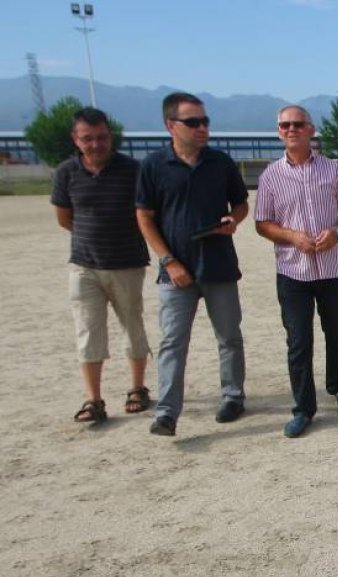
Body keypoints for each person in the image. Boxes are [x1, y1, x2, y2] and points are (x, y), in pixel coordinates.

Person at [135, 92, 250, 437]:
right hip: (175, 273)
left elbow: (241, 204)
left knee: (229, 336)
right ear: (171, 125)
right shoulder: (154, 166)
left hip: (219, 265)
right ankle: (167, 412)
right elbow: (144, 217)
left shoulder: (221, 162)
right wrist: (169, 261)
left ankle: (232, 396)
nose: (202, 128)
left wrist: (233, 218)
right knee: (172, 341)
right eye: (193, 122)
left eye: (205, 121)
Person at [254, 105, 338, 438]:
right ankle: (303, 408)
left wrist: (336, 233)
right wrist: (291, 236)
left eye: (298, 124)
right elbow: (262, 223)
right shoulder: (270, 176)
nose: (291, 129)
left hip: (332, 270)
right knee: (299, 341)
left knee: (337, 333)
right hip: (292, 272)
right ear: (278, 131)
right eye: (285, 125)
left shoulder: (333, 171)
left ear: (311, 129)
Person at [50, 106, 151, 424]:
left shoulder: (133, 170)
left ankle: (137, 388)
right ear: (75, 139)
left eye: (102, 137)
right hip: (84, 265)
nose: (96, 144)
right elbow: (65, 218)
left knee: (132, 326)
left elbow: (146, 213)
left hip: (127, 263)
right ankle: (93, 398)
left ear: (111, 137)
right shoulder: (66, 172)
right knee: (88, 330)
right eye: (88, 138)